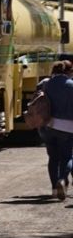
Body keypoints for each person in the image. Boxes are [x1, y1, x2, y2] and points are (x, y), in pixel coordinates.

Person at [38, 60, 73, 200]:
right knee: (67, 156)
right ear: (68, 72)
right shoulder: (71, 85)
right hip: (67, 127)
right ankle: (62, 179)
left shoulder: (45, 84)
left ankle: (54, 189)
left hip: (47, 126)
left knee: (53, 157)